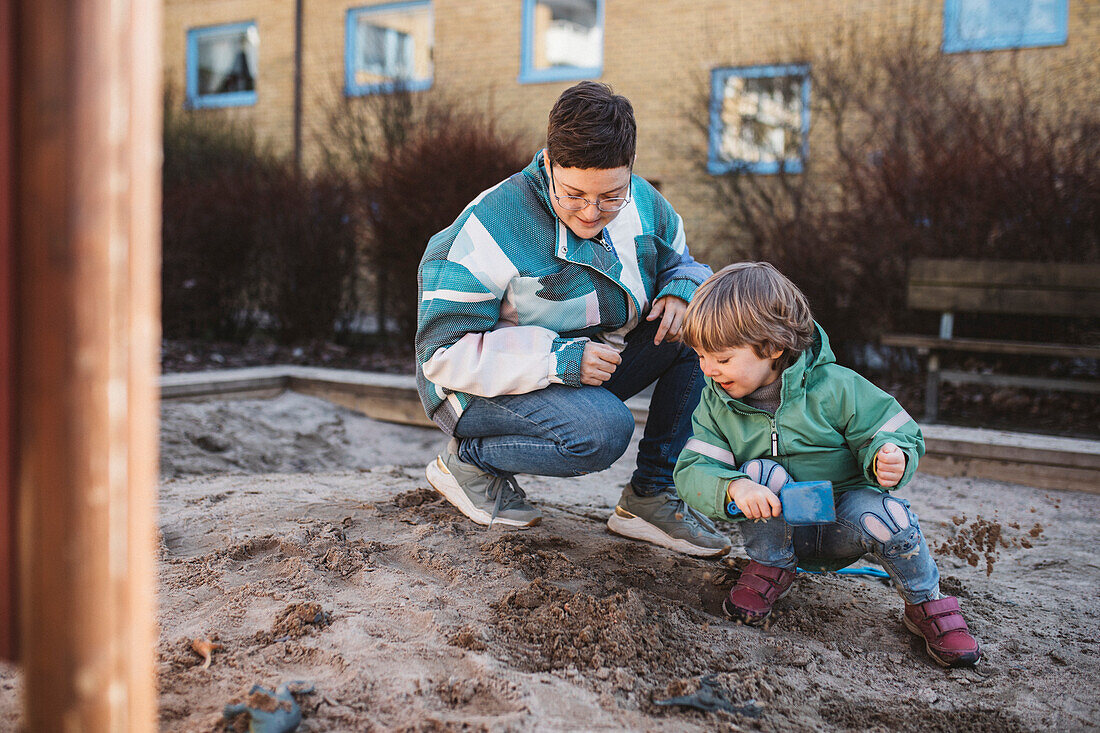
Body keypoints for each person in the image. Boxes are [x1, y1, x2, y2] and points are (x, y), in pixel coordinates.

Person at [415, 81, 729, 557]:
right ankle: (470, 464)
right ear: (549, 163)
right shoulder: (488, 227)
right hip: (475, 386)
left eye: (609, 197)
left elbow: (679, 260)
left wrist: (683, 290)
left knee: (698, 329)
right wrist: (560, 359)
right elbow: (441, 355)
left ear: (630, 169)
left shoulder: (642, 202)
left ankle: (651, 497)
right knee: (602, 433)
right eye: (574, 194)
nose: (591, 212)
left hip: (591, 357)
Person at [674, 262, 981, 667]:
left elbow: (893, 430)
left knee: (890, 516)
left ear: (773, 347)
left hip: (844, 520)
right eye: (700, 356)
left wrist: (890, 456)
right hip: (778, 528)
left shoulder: (837, 387)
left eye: (723, 358)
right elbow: (693, 466)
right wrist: (733, 488)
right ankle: (770, 568)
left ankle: (926, 602)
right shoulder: (717, 404)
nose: (708, 370)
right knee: (758, 474)